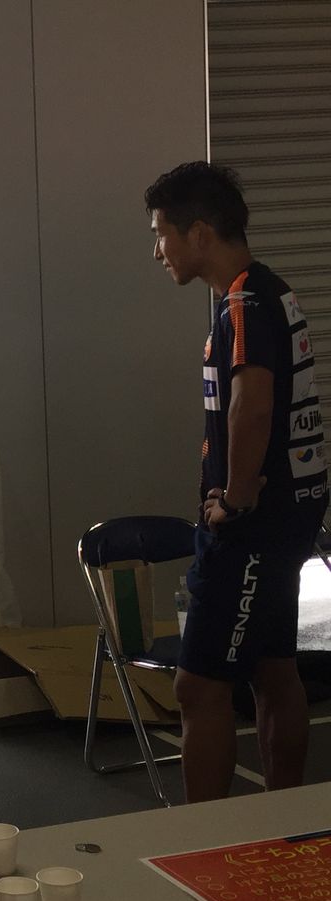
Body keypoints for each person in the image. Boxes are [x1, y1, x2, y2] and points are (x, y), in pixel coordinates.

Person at [146, 161, 327, 802]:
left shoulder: (244, 302)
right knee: (274, 669)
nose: (158, 250)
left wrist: (236, 497)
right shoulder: (267, 291)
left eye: (161, 233)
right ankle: (283, 818)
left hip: (254, 525)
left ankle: (208, 839)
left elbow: (253, 402)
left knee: (198, 686)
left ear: (199, 233)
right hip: (289, 518)